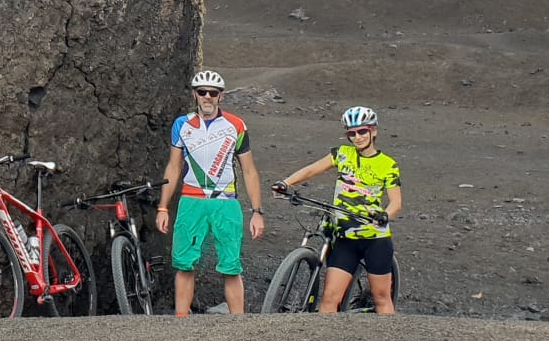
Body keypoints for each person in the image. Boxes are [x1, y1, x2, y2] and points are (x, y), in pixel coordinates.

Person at [273, 105, 402, 314]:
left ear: (373, 131)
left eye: (362, 131)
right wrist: (286, 183)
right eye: (352, 133)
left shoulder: (388, 164)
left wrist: (385, 214)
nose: (357, 137)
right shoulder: (341, 154)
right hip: (345, 239)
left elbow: (396, 202)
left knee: (381, 299)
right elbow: (312, 169)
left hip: (374, 239)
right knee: (329, 300)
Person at [156, 69, 263, 316]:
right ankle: (181, 320)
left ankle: (239, 324)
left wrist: (257, 212)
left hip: (225, 203)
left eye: (212, 93)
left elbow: (249, 171)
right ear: (195, 94)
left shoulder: (236, 125)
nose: (207, 97)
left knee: (231, 265)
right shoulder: (182, 125)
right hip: (191, 200)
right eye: (202, 92)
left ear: (221, 96)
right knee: (184, 263)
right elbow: (173, 166)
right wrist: (163, 207)